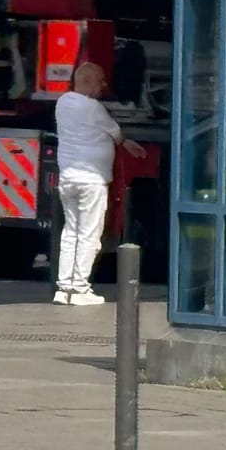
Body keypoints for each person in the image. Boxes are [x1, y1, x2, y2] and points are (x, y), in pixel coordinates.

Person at [53, 62, 144, 306]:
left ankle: (64, 288)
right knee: (89, 235)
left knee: (70, 232)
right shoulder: (93, 108)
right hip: (91, 181)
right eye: (100, 81)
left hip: (68, 179)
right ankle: (80, 288)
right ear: (87, 81)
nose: (103, 86)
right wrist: (126, 143)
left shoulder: (62, 103)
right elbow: (116, 134)